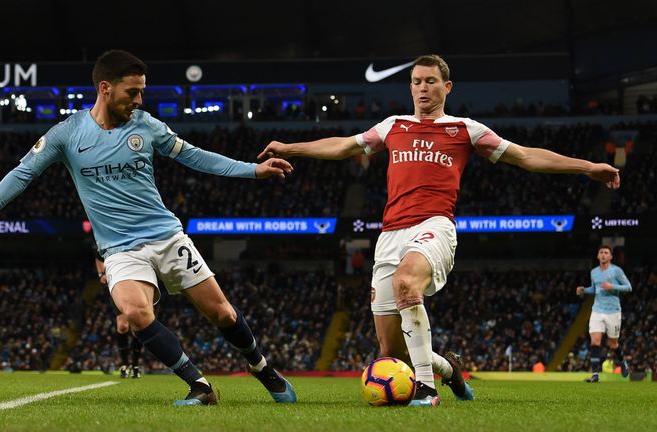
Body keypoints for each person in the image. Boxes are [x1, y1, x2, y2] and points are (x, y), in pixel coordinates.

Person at [257, 54, 620, 407]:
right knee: (391, 351)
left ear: (447, 87)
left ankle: (427, 390)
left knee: (406, 284)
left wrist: (587, 167)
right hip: (390, 234)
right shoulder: (392, 126)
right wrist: (291, 147)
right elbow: (343, 146)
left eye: (430, 81)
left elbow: (525, 156)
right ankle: (450, 370)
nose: (422, 88)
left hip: (435, 226)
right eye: (416, 82)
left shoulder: (465, 130)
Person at [0, 49, 296, 406]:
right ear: (105, 88)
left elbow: (193, 155)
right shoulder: (67, 133)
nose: (139, 99)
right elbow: (24, 172)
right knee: (134, 313)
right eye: (132, 92)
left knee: (222, 313)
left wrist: (252, 170)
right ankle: (200, 386)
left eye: (141, 91)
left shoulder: (147, 126)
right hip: (120, 249)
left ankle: (261, 368)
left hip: (167, 237)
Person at [576, 245, 632, 382]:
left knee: (613, 344)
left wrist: (612, 286)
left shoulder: (616, 271)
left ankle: (622, 361)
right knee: (595, 341)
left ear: (611, 256)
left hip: (613, 311)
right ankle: (595, 375)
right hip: (597, 310)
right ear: (597, 256)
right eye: (601, 252)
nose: (603, 254)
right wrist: (584, 290)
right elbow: (595, 289)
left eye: (606, 252)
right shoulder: (594, 272)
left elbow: (628, 287)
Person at [94, 249, 143, 378]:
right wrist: (101, 274)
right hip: (118, 285)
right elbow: (98, 255)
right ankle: (125, 365)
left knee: (138, 325)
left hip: (139, 282)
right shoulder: (111, 241)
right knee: (122, 326)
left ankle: (135, 365)